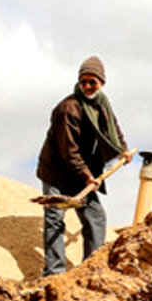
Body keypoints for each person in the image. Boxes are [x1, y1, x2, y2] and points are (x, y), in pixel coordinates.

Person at [36, 56, 134, 275]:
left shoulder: (102, 104)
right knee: (55, 219)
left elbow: (113, 129)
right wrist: (87, 176)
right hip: (57, 171)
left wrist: (123, 150)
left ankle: (90, 269)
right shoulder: (68, 109)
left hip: (81, 171)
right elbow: (69, 150)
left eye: (93, 82)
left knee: (95, 217)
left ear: (102, 82)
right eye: (84, 82)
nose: (88, 86)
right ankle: (54, 272)